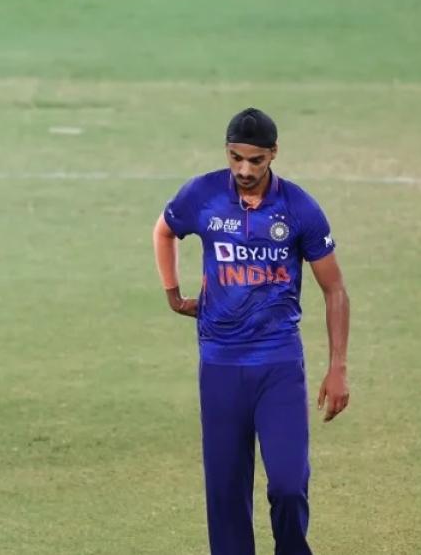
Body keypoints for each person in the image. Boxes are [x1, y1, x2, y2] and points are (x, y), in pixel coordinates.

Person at [152, 108, 351, 555]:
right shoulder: (202, 195)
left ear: (273, 155)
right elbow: (164, 230)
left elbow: (335, 289)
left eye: (255, 160)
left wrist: (337, 367)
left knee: (287, 484)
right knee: (225, 494)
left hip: (278, 366)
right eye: (235, 158)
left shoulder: (299, 208)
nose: (244, 170)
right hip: (219, 365)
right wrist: (172, 292)